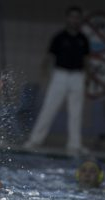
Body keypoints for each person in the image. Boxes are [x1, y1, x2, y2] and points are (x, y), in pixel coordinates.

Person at [23, 6, 90, 155]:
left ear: (80, 20)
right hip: (60, 75)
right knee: (49, 108)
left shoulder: (83, 39)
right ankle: (35, 140)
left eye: (77, 17)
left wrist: (88, 78)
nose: (74, 20)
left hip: (78, 76)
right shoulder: (59, 37)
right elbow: (48, 57)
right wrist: (45, 74)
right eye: (72, 17)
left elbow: (87, 60)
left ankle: (75, 145)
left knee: (76, 112)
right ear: (67, 19)